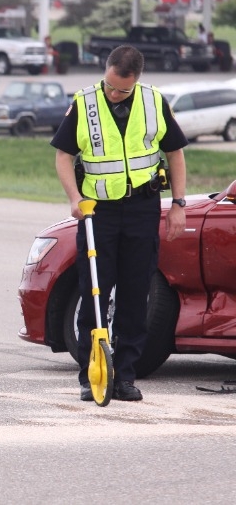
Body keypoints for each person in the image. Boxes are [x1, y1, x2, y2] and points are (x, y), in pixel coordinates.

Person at [51, 45, 188, 403]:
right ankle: (90, 374)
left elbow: (175, 153)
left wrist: (178, 204)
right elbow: (63, 156)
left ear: (136, 80)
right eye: (109, 85)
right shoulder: (85, 103)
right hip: (99, 214)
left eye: (121, 89)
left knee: (135, 294)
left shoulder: (153, 102)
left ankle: (125, 376)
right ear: (106, 72)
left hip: (143, 209)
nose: (113, 94)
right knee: (94, 291)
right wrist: (73, 198)